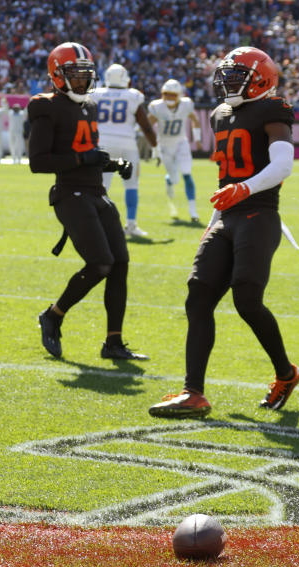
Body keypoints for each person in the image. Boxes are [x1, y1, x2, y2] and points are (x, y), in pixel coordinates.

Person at [149, 46, 299, 419]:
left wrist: (244, 189)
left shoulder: (273, 109)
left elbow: (283, 165)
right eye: (227, 77)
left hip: (259, 215)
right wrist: (212, 222)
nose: (228, 84)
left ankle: (286, 373)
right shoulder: (220, 115)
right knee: (198, 295)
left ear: (260, 80)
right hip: (227, 217)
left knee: (247, 300)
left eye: (237, 78)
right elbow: (225, 180)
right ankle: (193, 392)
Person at [29, 42, 146, 361]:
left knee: (119, 264)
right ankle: (53, 315)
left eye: (85, 75)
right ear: (57, 75)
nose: (82, 81)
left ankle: (114, 343)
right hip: (70, 194)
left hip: (96, 192)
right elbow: (39, 162)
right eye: (75, 75)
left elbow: (86, 155)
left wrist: (112, 164)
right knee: (100, 263)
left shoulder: (90, 106)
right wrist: (84, 159)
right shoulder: (45, 106)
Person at [92, 63, 157, 238]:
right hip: (127, 144)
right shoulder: (132, 96)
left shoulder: (97, 95)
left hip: (103, 142)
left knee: (102, 186)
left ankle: (99, 223)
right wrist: (155, 147)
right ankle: (131, 224)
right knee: (131, 185)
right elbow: (146, 127)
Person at [147, 78, 202, 223]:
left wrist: (197, 139)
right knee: (174, 179)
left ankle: (193, 212)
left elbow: (195, 119)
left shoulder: (186, 104)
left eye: (173, 95)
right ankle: (169, 180)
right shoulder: (157, 107)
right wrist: (152, 146)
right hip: (164, 145)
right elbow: (148, 124)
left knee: (187, 174)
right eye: (167, 94)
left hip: (181, 143)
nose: (170, 98)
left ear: (179, 95)